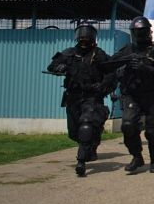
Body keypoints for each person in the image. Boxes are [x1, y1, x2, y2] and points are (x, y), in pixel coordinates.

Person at [46, 21, 115, 176]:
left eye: (87, 34)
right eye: (81, 34)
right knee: (73, 132)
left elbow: (111, 72)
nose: (84, 38)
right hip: (73, 98)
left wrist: (102, 86)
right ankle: (91, 144)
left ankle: (81, 162)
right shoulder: (70, 53)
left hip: (91, 97)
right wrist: (59, 68)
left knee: (86, 125)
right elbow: (52, 66)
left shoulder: (99, 55)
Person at [105, 16, 154, 174]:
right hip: (132, 95)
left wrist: (145, 68)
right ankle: (137, 156)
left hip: (151, 95)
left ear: (149, 32)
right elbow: (109, 66)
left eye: (143, 32)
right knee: (127, 125)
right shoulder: (127, 50)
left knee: (152, 131)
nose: (140, 35)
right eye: (137, 32)